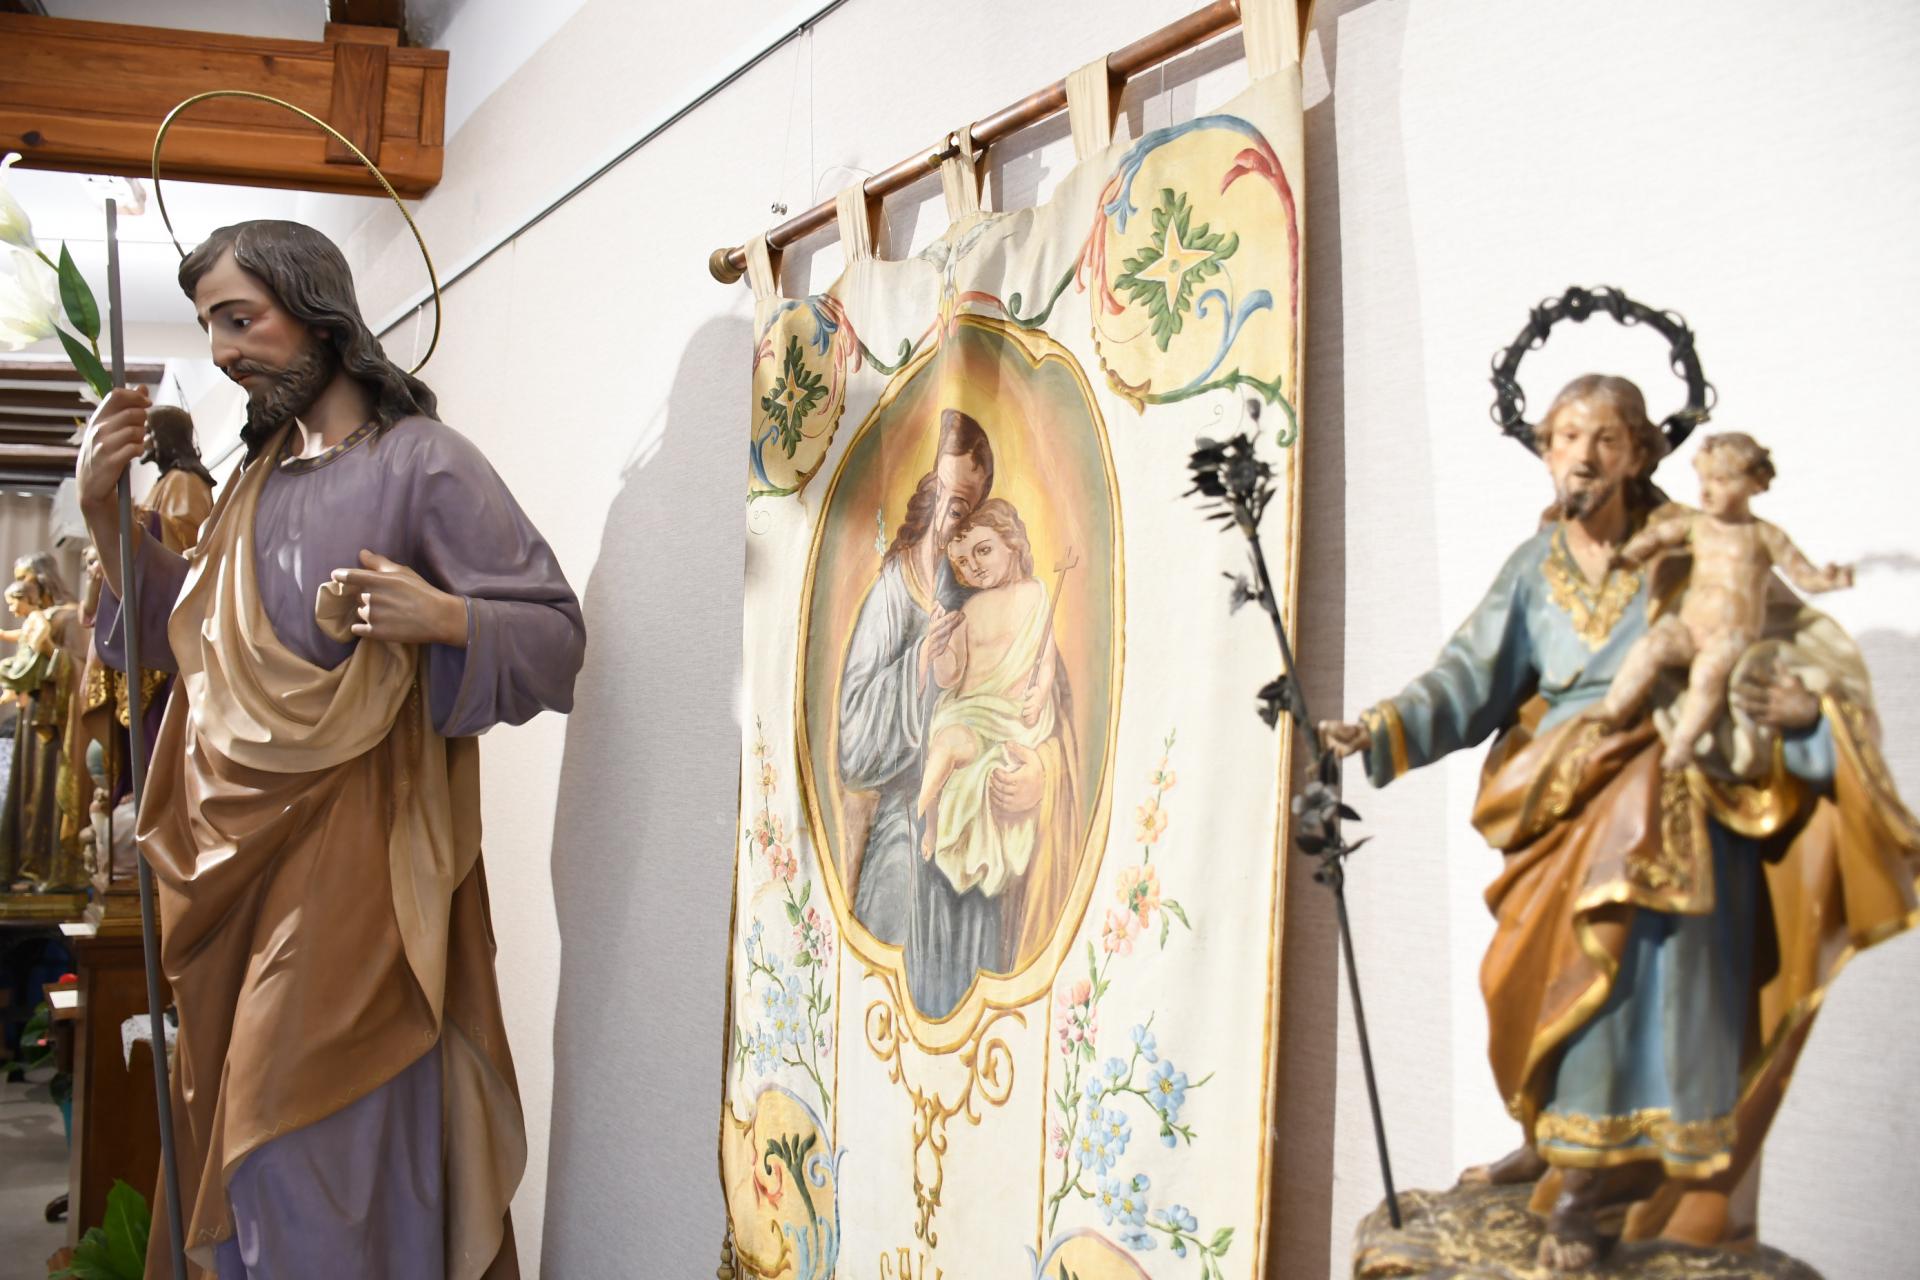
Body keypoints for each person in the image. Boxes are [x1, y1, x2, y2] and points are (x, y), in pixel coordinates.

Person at [1319, 374, 1920, 1269]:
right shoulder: (1535, 568)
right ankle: (1555, 1139)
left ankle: (1590, 1197)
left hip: (1672, 784)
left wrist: (1807, 711)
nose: (1584, 457)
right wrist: (1376, 727)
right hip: (1556, 789)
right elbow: (1467, 677)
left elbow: (1787, 641)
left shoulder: (1697, 545)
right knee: (1534, 980)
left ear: (1640, 453)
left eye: (1605, 438)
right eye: (1566, 438)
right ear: (1545, 452)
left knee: (1648, 980)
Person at [79, 219, 585, 1279]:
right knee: (247, 1145)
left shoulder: (422, 462)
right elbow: (189, 637)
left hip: (359, 859)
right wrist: (100, 510)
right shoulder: (252, 484)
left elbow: (554, 637)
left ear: (319, 314)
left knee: (303, 1135)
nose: (224, 351)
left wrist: (443, 616)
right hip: (233, 860)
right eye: (211, 327)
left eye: (240, 319)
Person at [837, 409, 1072, 1018]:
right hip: (905, 825)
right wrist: (918, 666)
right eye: (940, 494)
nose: (948, 515)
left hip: (982, 822)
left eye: (963, 505)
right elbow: (852, 750)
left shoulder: (996, 594)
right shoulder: (895, 593)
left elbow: (1047, 714)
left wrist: (1040, 776)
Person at [1598, 431, 1852, 770]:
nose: (1706, 491)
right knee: (1651, 646)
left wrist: (1828, 580)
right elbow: (1657, 537)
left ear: (1754, 483)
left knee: (1708, 673)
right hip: (1689, 627)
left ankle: (1684, 743)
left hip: (1732, 635)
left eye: (1720, 480)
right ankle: (1613, 711)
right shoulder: (1696, 526)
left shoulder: (1764, 536)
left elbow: (1801, 575)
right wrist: (1627, 557)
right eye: (1703, 479)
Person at [916, 499, 1061, 904]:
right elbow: (949, 676)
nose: (973, 566)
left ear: (1012, 543)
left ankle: (928, 818)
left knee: (972, 761)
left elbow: (1046, 660)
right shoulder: (970, 609)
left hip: (1010, 722)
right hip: (968, 715)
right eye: (962, 562)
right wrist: (939, 647)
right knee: (946, 745)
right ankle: (923, 817)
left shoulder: (1036, 595)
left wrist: (1040, 694)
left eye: (983, 550)